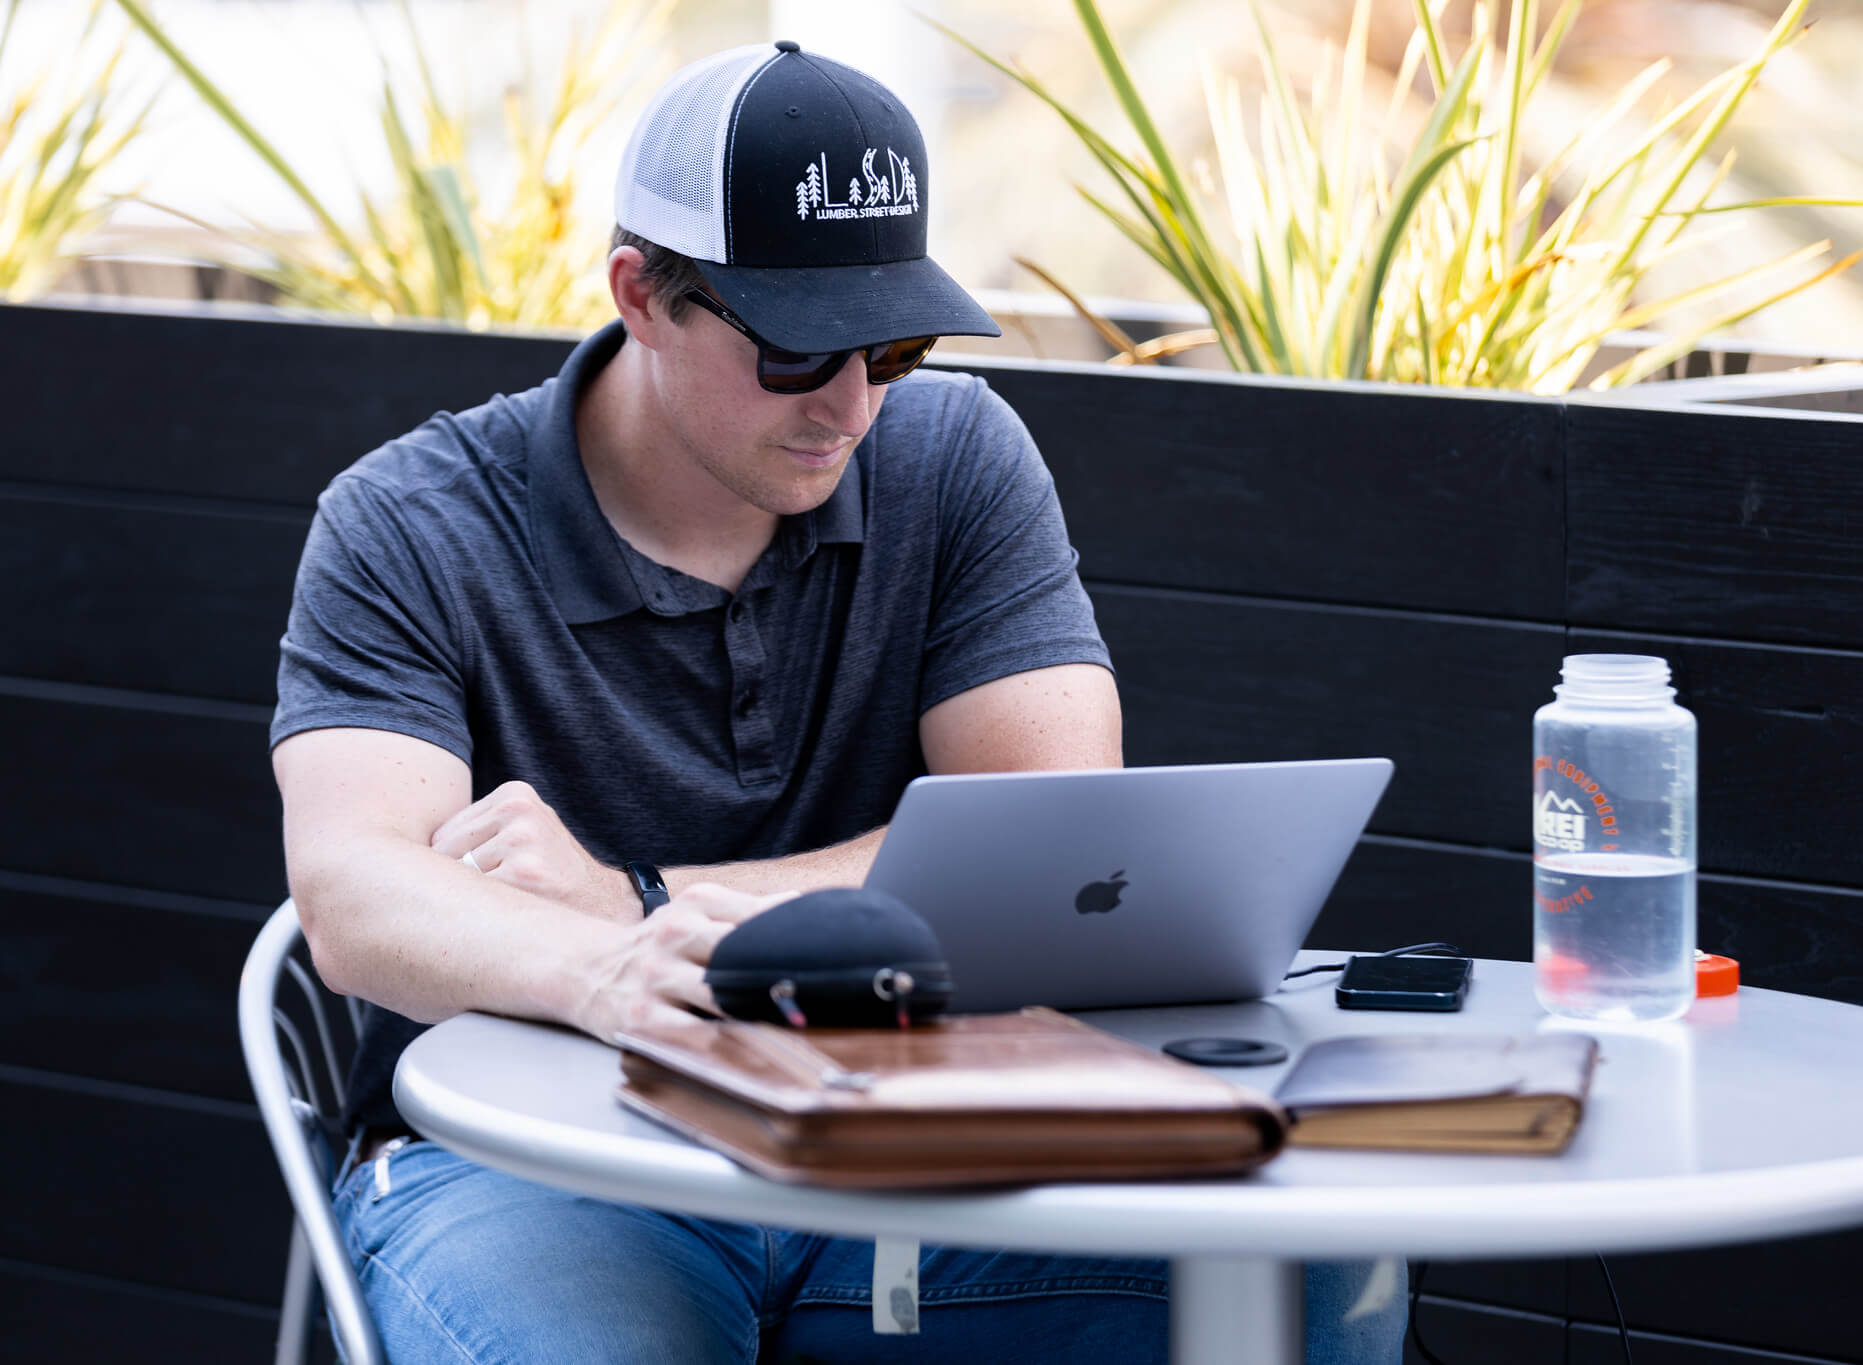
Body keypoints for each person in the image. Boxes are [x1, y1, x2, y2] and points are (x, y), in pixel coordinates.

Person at [271, 40, 1405, 1364]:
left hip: (904, 1129)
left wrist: (637, 901)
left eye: (893, 342)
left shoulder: (955, 455)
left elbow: (1041, 829)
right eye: (802, 353)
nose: (854, 404)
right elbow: (355, 894)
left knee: (1306, 1288)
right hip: (536, 1164)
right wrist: (608, 974)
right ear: (641, 294)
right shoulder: (408, 521)